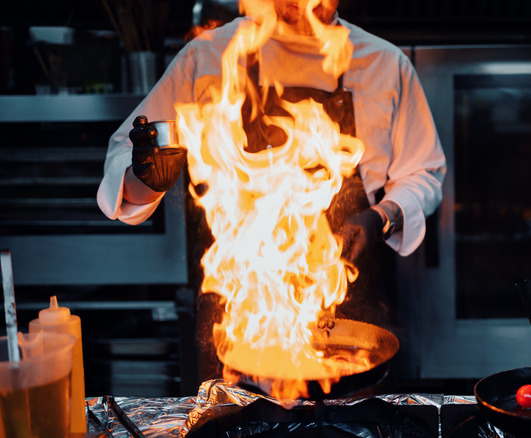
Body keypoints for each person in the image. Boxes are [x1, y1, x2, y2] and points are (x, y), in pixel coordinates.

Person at [96, 0, 446, 383]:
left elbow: (424, 173)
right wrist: (149, 177)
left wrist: (382, 216)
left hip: (348, 316)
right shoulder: (209, 56)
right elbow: (124, 171)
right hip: (235, 318)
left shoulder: (384, 63)